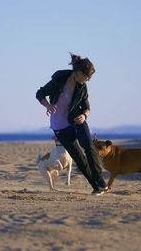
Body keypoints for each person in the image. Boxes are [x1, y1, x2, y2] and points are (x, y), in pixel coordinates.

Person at [36, 53, 108, 195]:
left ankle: (100, 181)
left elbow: (87, 107)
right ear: (79, 73)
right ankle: (96, 187)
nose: (88, 80)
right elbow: (40, 93)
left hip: (77, 121)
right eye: (87, 76)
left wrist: (84, 115)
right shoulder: (59, 79)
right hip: (60, 126)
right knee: (78, 157)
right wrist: (48, 106)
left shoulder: (82, 87)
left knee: (88, 146)